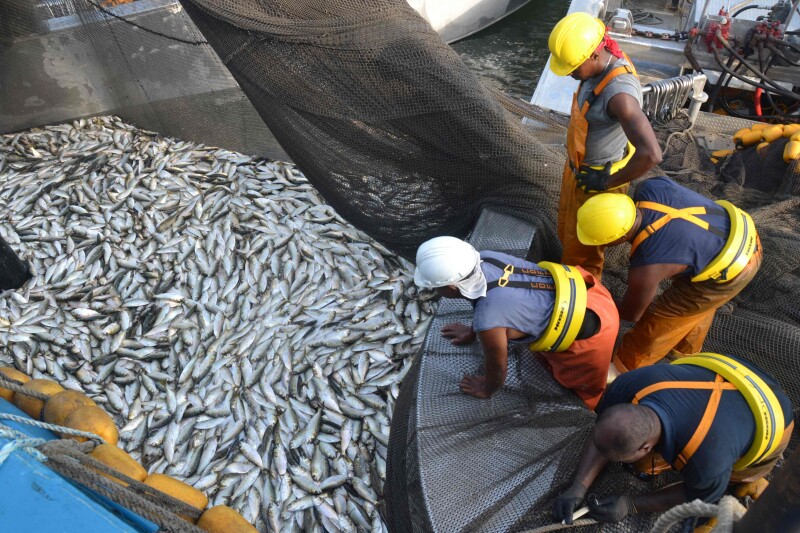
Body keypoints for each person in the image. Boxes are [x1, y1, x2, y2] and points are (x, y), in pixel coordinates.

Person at [553, 353, 794, 524]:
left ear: (646, 447)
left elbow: (696, 497)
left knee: (728, 477)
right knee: (643, 464)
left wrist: (631, 504)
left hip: (773, 415)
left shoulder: (707, 460)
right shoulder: (627, 386)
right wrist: (578, 486)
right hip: (729, 370)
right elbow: (605, 434)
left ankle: (747, 480)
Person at [576, 176, 762, 374]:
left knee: (664, 316)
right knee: (696, 308)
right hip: (743, 233)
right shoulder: (650, 186)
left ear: (621, 237)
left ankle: (624, 369)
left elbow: (632, 314)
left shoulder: (647, 268)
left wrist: (593, 304)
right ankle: (684, 352)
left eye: (603, 242)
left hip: (736, 267)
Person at [413, 236, 619, 409]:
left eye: (435, 287)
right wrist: (472, 331)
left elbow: (497, 367)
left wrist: (486, 388)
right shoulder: (486, 257)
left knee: (582, 387)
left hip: (593, 334)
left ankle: (593, 408)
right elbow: (488, 300)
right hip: (594, 296)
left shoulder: (489, 323)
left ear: (451, 287)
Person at [548, 12, 662, 280]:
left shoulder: (620, 95)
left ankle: (581, 296)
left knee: (583, 254)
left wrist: (605, 182)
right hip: (578, 172)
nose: (570, 74)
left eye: (573, 67)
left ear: (595, 54)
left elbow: (652, 154)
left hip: (595, 183)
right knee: (568, 232)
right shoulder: (600, 62)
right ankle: (567, 272)